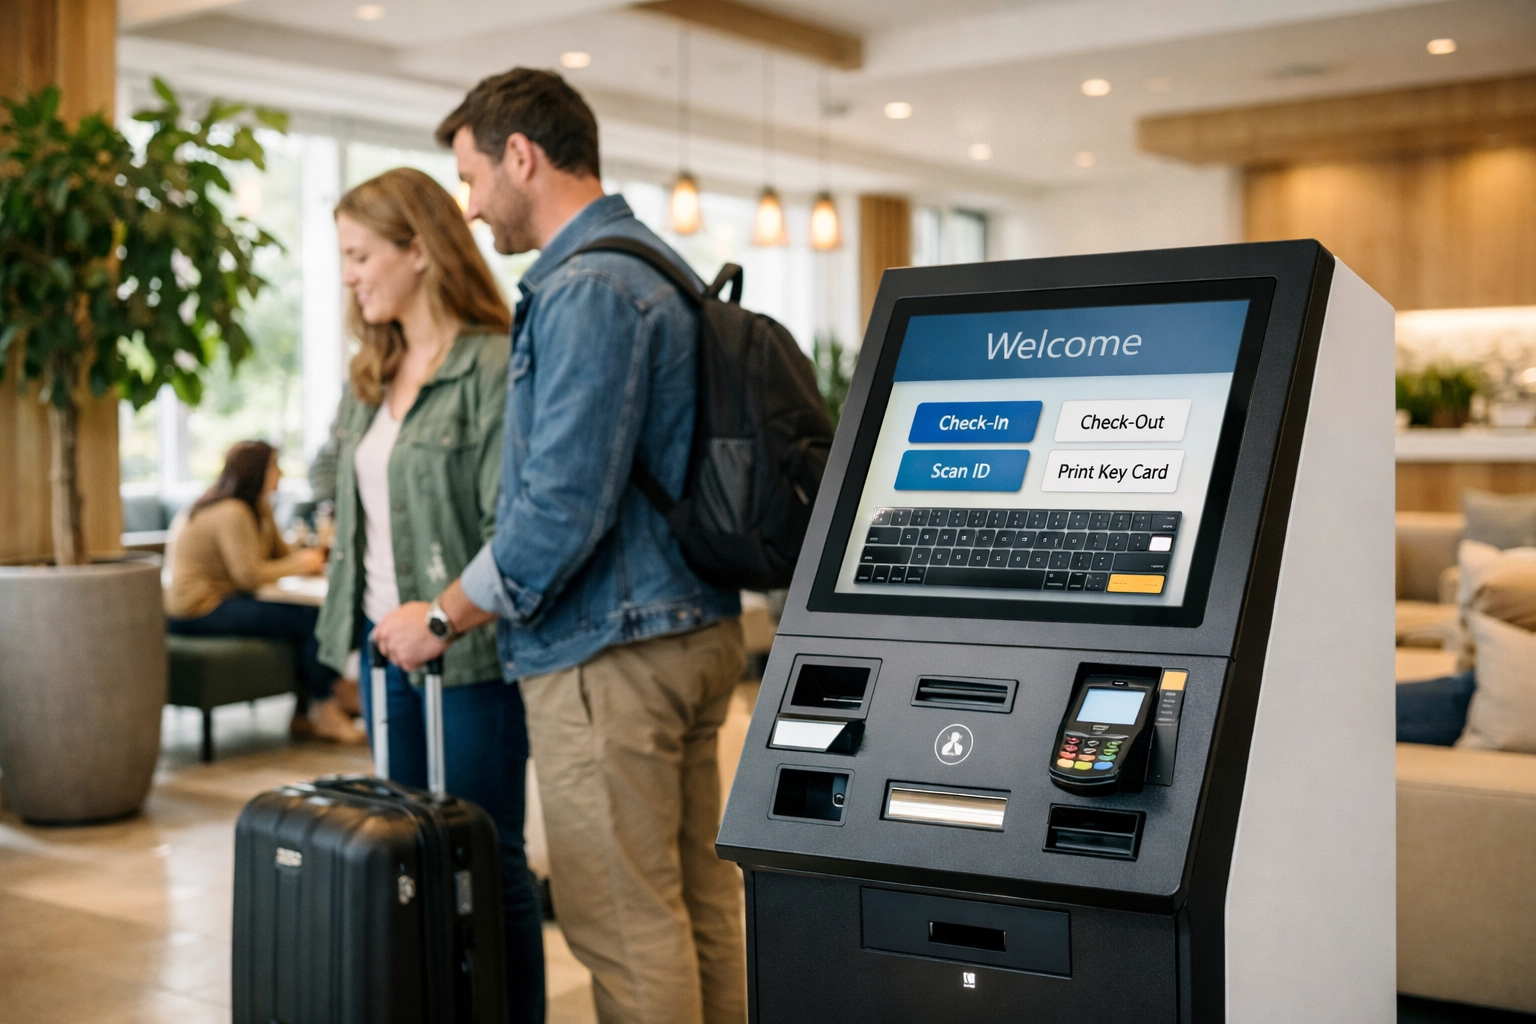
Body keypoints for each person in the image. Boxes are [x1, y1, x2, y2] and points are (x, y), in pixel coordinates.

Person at [373, 70, 746, 1024]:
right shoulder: (657, 262)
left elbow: (557, 513)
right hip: (691, 626)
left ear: (522, 158)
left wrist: (442, 613)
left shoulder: (585, 287)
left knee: (623, 925)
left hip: (610, 655)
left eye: (471, 176)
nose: (470, 205)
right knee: (699, 909)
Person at [311, 166, 545, 1022]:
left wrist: (441, 615)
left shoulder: (492, 363)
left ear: (419, 249)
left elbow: (505, 521)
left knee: (487, 857)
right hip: (385, 655)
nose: (349, 274)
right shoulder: (371, 371)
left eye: (360, 253)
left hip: (468, 653)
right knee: (409, 856)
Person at [165, 441, 364, 744]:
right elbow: (248, 576)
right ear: (256, 470)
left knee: (314, 618)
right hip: (197, 610)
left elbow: (279, 557)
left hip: (225, 600)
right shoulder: (231, 511)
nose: (280, 472)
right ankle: (324, 705)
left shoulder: (258, 508)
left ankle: (307, 711)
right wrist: (300, 563)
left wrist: (301, 556)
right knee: (313, 621)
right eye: (275, 465)